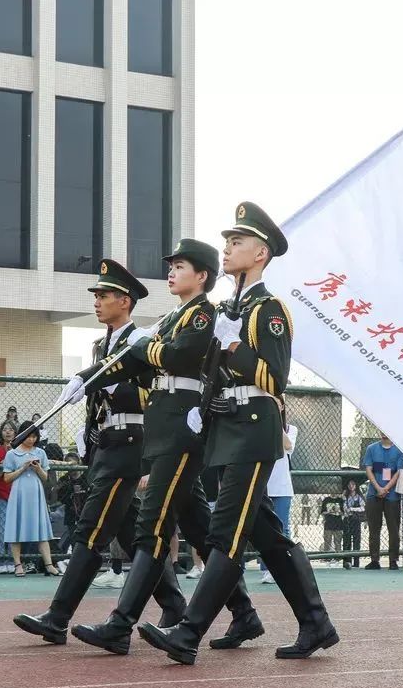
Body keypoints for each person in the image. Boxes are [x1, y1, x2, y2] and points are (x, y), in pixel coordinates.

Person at [137, 201, 337, 664]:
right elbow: (212, 374)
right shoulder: (227, 309)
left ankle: (188, 633)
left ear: (260, 253)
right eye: (227, 241)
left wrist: (233, 345)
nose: (227, 248)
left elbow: (274, 378)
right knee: (266, 534)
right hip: (225, 427)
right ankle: (316, 622)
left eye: (237, 241)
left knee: (225, 530)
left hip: (253, 427)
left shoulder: (269, 310)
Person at [13, 257, 190, 647]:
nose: (96, 301)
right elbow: (95, 402)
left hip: (131, 442)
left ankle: (58, 617)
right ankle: (175, 605)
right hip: (105, 445)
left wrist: (111, 385)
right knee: (130, 529)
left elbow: (151, 391)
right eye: (96, 295)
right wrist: (87, 431)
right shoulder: (99, 345)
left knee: (90, 529)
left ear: (124, 301)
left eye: (104, 295)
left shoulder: (141, 341)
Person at [2, 421, 60, 577]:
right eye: (28, 436)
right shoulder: (12, 454)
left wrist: (38, 468)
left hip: (36, 493)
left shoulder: (41, 453)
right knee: (16, 527)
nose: (31, 439)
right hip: (19, 493)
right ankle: (18, 565)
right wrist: (23, 468)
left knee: (41, 529)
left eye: (34, 437)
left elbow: (46, 478)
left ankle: (49, 565)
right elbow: (6, 478)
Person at [361, 433, 403, 570]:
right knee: (374, 528)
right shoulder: (371, 448)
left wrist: (386, 488)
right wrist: (378, 488)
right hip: (373, 495)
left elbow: (399, 472)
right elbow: (368, 469)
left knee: (394, 529)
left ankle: (393, 560)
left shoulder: (399, 450)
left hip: (392, 496)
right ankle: (374, 559)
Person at [261, 424, 297, 582]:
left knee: (282, 528)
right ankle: (267, 569)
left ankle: (284, 567)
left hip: (282, 487)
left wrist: (275, 422)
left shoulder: (291, 429)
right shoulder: (261, 426)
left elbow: (288, 445)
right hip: (263, 485)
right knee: (264, 528)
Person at [0, 420, 17, 574]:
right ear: (1, 433)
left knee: (14, 529)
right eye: (5, 429)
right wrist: (8, 457)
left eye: (11, 429)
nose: (8, 432)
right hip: (0, 494)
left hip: (15, 494)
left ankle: (13, 560)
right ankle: (1, 561)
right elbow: (0, 473)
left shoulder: (20, 451)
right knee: (0, 530)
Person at [341, 477, 365, 569]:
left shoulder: (358, 496)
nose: (351, 486)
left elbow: (363, 508)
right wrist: (343, 498)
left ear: (356, 486)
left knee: (356, 540)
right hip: (347, 519)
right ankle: (347, 561)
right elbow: (344, 509)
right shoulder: (345, 496)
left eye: (353, 484)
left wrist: (352, 509)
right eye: (349, 484)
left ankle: (356, 562)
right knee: (346, 540)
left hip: (355, 519)